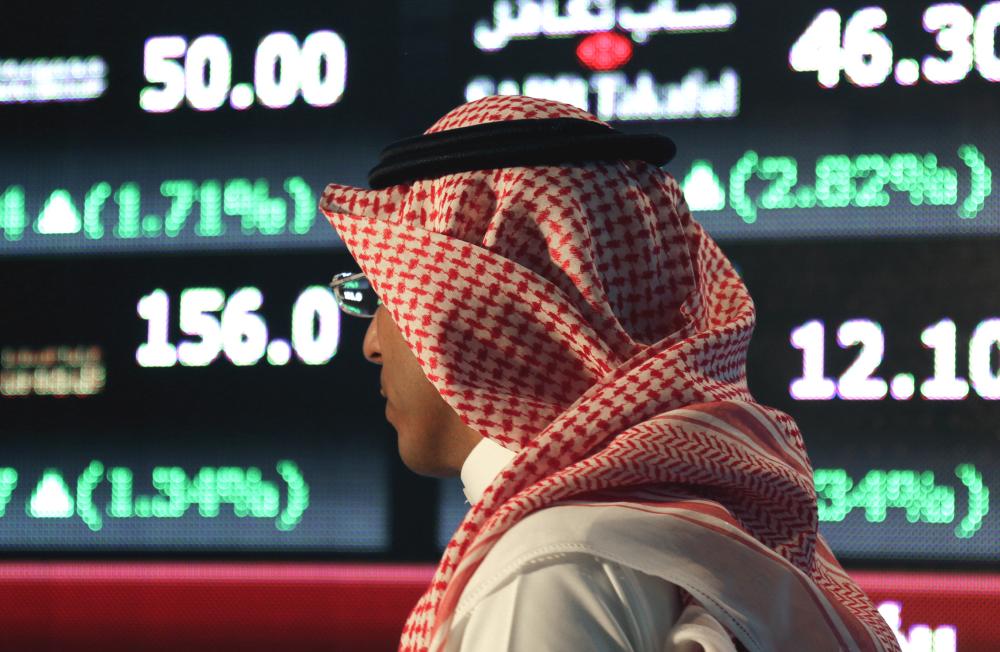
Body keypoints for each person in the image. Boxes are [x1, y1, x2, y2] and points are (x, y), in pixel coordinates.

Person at [321, 95, 901, 652]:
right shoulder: (733, 537)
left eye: (384, 295)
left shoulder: (552, 569)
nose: (373, 342)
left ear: (476, 307)